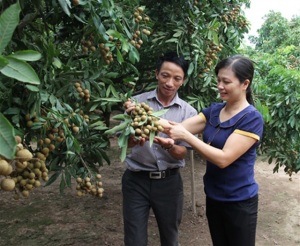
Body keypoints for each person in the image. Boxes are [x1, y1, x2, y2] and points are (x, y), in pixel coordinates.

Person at [163, 55, 264, 246]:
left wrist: (186, 136)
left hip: (239, 202)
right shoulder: (214, 111)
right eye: (218, 80)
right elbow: (176, 127)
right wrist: (140, 113)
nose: (220, 86)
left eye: (226, 81)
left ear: (245, 84)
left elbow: (224, 159)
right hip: (214, 197)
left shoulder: (251, 118)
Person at [122, 51, 197, 246]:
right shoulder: (137, 104)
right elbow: (125, 144)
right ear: (156, 74)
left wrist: (168, 146)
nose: (169, 83)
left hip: (169, 183)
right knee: (134, 240)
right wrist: (133, 137)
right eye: (165, 75)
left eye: (176, 78)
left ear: (183, 81)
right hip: (136, 181)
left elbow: (182, 152)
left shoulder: (189, 112)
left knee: (171, 239)